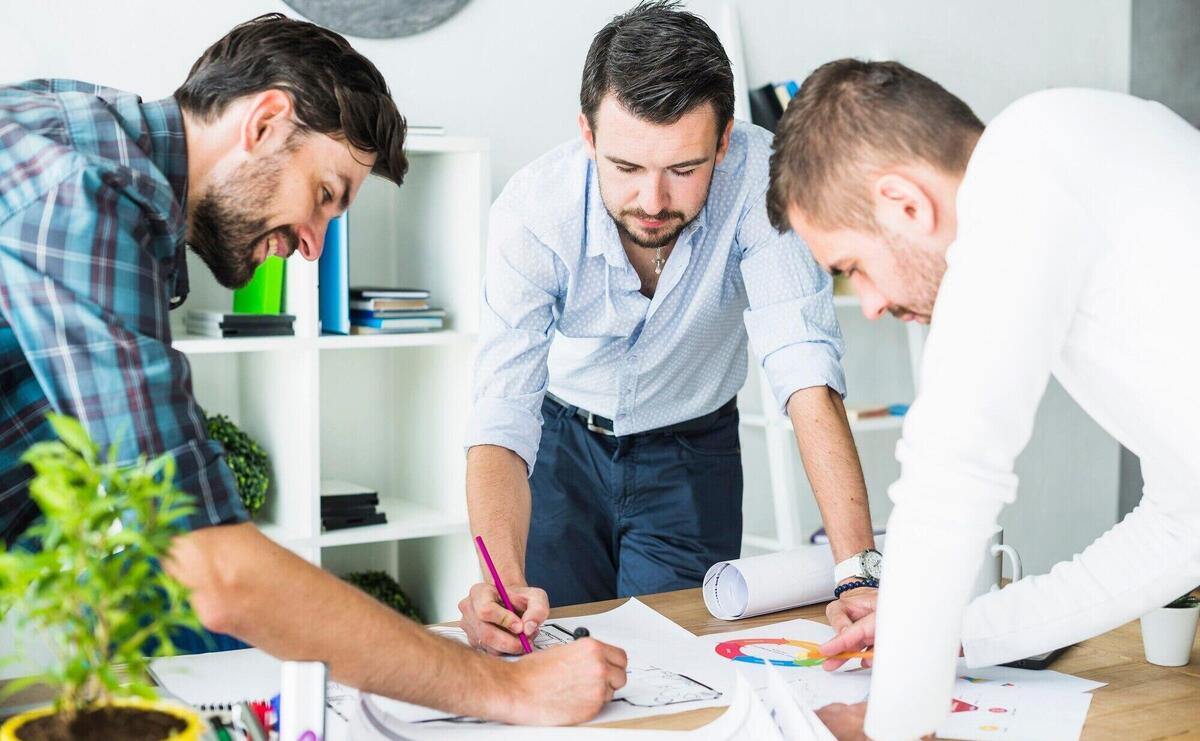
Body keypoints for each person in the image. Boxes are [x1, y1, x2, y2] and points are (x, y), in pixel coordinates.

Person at [0, 13, 625, 725]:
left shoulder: (81, 129)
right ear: (265, 121)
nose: (313, 247)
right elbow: (217, 568)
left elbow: (166, 509)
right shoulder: (88, 195)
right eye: (325, 196)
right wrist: (505, 689)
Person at [766, 58, 1200, 740]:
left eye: (853, 269)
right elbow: (1184, 524)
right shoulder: (1087, 148)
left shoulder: (1023, 177)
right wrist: (954, 633)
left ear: (904, 203)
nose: (871, 305)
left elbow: (951, 473)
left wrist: (894, 723)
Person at [460, 0, 881, 657]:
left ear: (723, 140)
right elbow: (502, 412)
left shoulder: (761, 180)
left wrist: (859, 570)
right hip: (560, 449)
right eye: (627, 167)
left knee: (675, 660)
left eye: (683, 170)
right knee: (544, 652)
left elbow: (803, 369)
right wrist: (498, 577)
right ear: (589, 135)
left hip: (692, 451)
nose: (653, 201)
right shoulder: (532, 212)